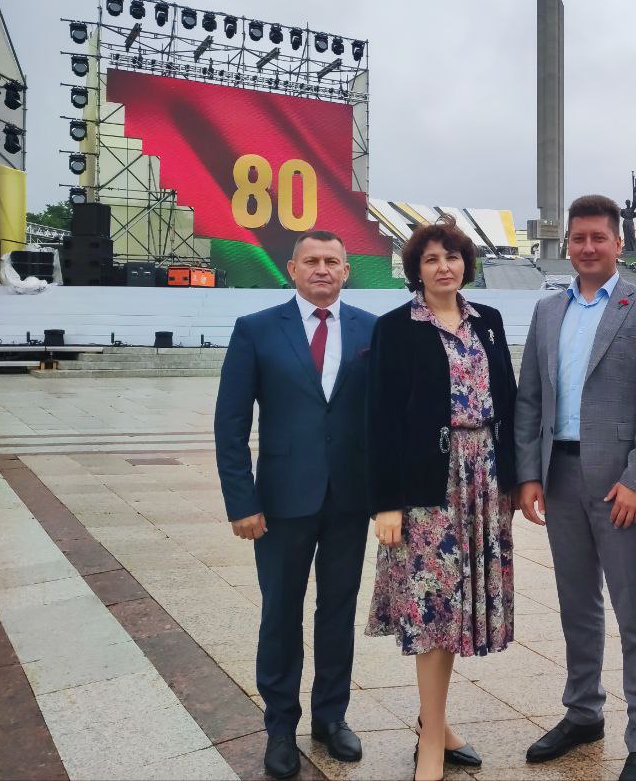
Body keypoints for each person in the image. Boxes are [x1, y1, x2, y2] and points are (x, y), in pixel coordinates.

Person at [514, 194, 636, 781]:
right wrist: (528, 474)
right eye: (578, 238)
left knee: (635, 611)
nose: (587, 248)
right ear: (568, 244)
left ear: (618, 244)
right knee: (576, 604)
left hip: (618, 486)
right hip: (559, 476)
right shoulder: (548, 311)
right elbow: (530, 397)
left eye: (598, 238)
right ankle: (583, 712)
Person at [214, 231, 376, 780]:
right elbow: (231, 423)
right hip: (281, 502)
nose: (322, 269)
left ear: (347, 271)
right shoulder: (257, 329)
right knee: (280, 612)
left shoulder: (371, 330)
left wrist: (389, 497)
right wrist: (242, 500)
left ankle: (331, 717)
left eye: (332, 261)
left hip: (349, 500)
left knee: (338, 611)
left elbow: (384, 420)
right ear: (292, 268)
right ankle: (280, 726)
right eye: (312, 261)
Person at [363, 219, 517, 781]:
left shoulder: (488, 321)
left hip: (484, 479)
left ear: (465, 265)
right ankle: (431, 739)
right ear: (417, 270)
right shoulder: (395, 328)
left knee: (456, 612)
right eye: (431, 259)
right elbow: (380, 418)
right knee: (434, 610)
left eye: (451, 257)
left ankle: (436, 723)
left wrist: (516, 480)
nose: (443, 267)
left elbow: (509, 400)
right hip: (429, 483)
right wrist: (386, 502)